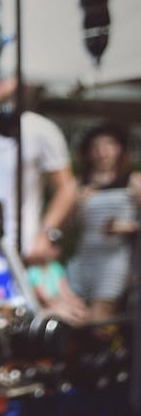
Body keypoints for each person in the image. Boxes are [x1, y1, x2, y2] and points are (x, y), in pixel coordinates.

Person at [0, 78, 76, 265]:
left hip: (20, 245)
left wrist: (46, 235)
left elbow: (67, 188)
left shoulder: (41, 128)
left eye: (1, 77)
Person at [68, 122, 141, 321]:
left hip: (115, 258)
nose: (102, 152)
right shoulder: (80, 183)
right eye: (96, 147)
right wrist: (78, 204)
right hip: (85, 255)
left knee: (100, 313)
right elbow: (70, 228)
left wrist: (127, 227)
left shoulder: (133, 181)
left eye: (108, 145)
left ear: (120, 150)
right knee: (76, 312)